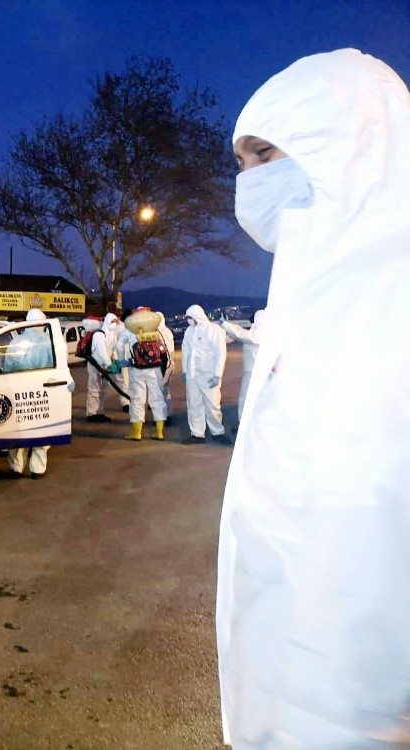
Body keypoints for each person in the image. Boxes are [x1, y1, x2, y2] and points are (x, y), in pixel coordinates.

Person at [216, 49, 410, 749]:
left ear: (351, 143)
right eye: (241, 164)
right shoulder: (305, 292)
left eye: (266, 154)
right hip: (280, 693)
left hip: (363, 712)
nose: (250, 181)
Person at [4, 308, 68, 477]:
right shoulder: (49, 341)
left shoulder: (16, 341)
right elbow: (60, 364)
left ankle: (16, 467)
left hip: (19, 390)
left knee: (19, 428)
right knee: (42, 427)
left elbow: (7, 367)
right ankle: (37, 469)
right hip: (43, 389)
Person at [180, 304, 230, 445]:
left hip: (209, 375)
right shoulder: (189, 331)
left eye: (190, 318)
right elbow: (186, 352)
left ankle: (217, 432)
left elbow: (221, 354)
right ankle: (197, 433)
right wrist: (184, 371)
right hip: (192, 375)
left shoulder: (214, 330)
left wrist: (217, 375)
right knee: (193, 404)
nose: (188, 321)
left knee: (212, 405)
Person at [118, 307, 168, 441]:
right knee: (157, 398)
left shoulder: (129, 329)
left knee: (137, 399)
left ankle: (137, 433)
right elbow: (163, 348)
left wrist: (122, 361)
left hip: (136, 369)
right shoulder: (154, 328)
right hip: (155, 368)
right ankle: (159, 432)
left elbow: (119, 346)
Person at [219, 309, 264, 430]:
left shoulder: (258, 335)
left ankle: (245, 425)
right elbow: (239, 335)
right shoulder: (260, 333)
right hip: (255, 371)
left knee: (247, 400)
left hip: (254, 372)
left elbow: (240, 334)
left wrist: (225, 324)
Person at [84, 313, 122, 422]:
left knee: (102, 390)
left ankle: (99, 412)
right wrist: (110, 365)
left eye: (115, 322)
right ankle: (91, 414)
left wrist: (116, 361)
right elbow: (102, 353)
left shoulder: (112, 334)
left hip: (104, 366)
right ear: (107, 322)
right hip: (95, 365)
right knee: (94, 389)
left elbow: (113, 349)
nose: (114, 324)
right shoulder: (99, 335)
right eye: (112, 322)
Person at [156, 312, 176, 418]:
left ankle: (161, 416)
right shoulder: (168, 331)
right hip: (169, 363)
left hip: (162, 364)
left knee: (159, 391)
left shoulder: (156, 333)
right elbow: (171, 349)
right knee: (166, 391)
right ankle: (167, 414)